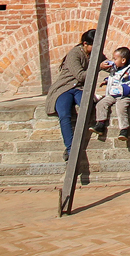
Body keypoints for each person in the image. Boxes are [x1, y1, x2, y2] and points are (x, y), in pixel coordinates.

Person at [46, 28, 108, 161]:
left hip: (80, 89)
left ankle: (81, 138)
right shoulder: (74, 54)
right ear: (85, 44)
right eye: (94, 45)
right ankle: (70, 148)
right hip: (64, 88)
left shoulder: (95, 53)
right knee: (64, 115)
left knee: (89, 106)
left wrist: (119, 63)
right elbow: (80, 76)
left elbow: (107, 64)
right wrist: (99, 67)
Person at [92, 47, 130, 138]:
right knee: (101, 104)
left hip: (124, 95)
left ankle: (124, 129)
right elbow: (114, 78)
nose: (113, 61)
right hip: (112, 94)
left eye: (115, 59)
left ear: (123, 60)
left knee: (121, 108)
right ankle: (100, 123)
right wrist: (106, 81)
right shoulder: (115, 69)